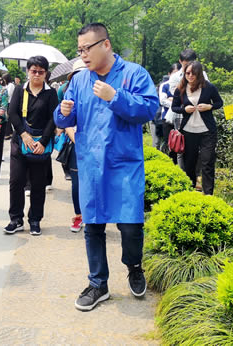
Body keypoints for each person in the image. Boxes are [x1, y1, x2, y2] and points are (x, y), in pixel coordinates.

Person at [54, 23, 158, 311]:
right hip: (91, 165)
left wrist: (116, 97)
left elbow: (150, 108)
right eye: (79, 50)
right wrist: (62, 112)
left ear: (106, 45)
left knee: (131, 226)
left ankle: (134, 266)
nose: (83, 55)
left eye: (87, 48)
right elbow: (65, 118)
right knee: (93, 226)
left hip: (124, 164)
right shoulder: (79, 81)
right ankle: (98, 283)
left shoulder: (134, 74)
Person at [5, 56, 58, 236]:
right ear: (28, 71)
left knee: (38, 184)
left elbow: (53, 118)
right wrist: (23, 134)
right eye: (33, 71)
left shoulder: (50, 93)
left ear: (46, 73)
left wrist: (43, 142)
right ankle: (16, 219)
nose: (36, 75)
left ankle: (35, 220)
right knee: (16, 181)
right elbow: (12, 113)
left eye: (41, 72)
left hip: (40, 144)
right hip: (20, 142)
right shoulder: (20, 90)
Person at [171, 61, 223, 195]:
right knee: (189, 163)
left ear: (199, 74)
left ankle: (208, 194)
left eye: (193, 73)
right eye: (187, 73)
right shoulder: (181, 88)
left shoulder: (209, 87)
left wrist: (209, 106)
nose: (190, 76)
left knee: (207, 162)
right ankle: (191, 190)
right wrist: (184, 109)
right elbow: (174, 107)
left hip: (207, 131)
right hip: (188, 131)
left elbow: (219, 102)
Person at [57, 59, 86, 232]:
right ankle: (78, 215)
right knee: (77, 183)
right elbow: (65, 121)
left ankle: (94, 217)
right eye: (76, 75)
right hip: (76, 144)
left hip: (97, 147)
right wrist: (77, 139)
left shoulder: (99, 93)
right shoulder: (68, 93)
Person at [160, 63, 182, 162]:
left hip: (181, 117)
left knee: (180, 143)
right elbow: (163, 101)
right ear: (169, 74)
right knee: (170, 143)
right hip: (167, 118)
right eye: (174, 73)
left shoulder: (184, 85)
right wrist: (177, 104)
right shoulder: (165, 85)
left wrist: (173, 100)